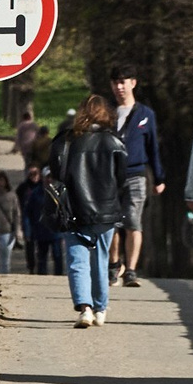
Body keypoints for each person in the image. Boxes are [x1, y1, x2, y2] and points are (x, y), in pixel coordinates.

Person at [52, 96, 128, 327]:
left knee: (77, 261)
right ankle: (101, 309)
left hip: (73, 209)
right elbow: (121, 178)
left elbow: (56, 171)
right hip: (105, 211)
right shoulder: (115, 143)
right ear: (106, 115)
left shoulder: (66, 141)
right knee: (101, 259)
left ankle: (84, 308)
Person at [109, 67, 163, 287]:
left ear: (133, 83)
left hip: (136, 173)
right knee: (111, 222)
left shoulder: (146, 114)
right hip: (111, 175)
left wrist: (159, 178)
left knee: (133, 221)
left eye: (123, 82)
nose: (119, 87)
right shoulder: (108, 113)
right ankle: (114, 265)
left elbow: (153, 148)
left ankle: (131, 270)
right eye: (115, 83)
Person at [21, 165, 57, 275]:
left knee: (58, 257)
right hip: (40, 232)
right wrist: (27, 230)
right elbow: (27, 213)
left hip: (56, 233)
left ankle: (59, 277)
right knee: (42, 258)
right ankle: (42, 277)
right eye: (47, 177)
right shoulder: (36, 193)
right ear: (43, 178)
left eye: (51, 177)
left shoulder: (60, 192)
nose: (49, 179)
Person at [0, 170, 22, 276]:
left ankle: (3, 280)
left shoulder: (11, 196)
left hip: (7, 233)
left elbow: (17, 214)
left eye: (1, 180)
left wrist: (17, 230)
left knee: (5, 261)